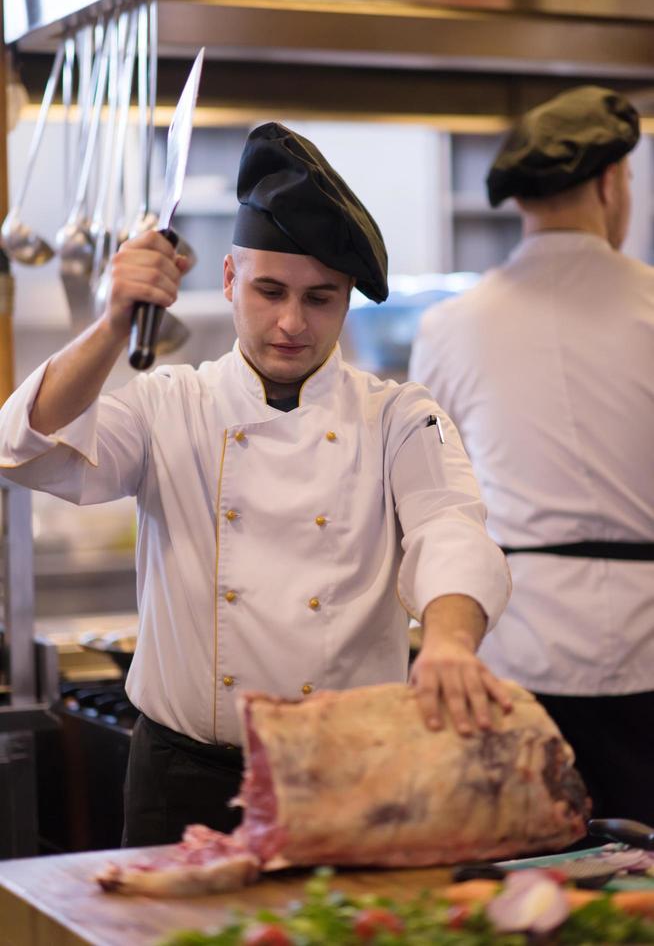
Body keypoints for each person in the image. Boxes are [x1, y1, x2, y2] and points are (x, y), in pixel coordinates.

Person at [0, 122, 511, 847]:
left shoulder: (398, 417)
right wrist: (117, 320)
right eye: (270, 290)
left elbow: (450, 530)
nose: (291, 323)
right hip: (181, 778)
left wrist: (453, 643)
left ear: (345, 301)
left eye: (321, 299)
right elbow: (22, 448)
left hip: (348, 772)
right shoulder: (169, 403)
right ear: (231, 279)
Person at [410, 85, 654, 825]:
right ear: (612, 185)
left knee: (529, 870)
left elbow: (429, 493)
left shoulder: (450, 325)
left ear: (521, 201)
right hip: (648, 649)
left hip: (511, 652)